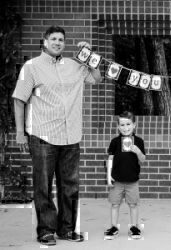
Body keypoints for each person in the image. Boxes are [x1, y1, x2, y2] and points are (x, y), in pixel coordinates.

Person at [12, 25, 102, 246]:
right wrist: (20, 133)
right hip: (43, 137)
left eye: (61, 39)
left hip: (71, 137)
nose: (58, 42)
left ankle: (67, 229)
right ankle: (46, 231)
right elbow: (19, 100)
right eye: (53, 39)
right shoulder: (31, 67)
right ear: (44, 41)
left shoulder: (74, 65)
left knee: (70, 186)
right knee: (43, 186)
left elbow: (97, 77)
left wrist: (89, 55)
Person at [104, 111, 146, 240]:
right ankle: (114, 227)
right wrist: (108, 174)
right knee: (115, 204)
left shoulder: (138, 141)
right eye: (122, 125)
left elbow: (143, 160)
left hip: (132, 181)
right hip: (117, 180)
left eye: (128, 124)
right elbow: (110, 158)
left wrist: (138, 151)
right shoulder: (115, 142)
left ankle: (134, 226)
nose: (125, 127)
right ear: (118, 126)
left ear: (134, 125)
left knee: (133, 204)